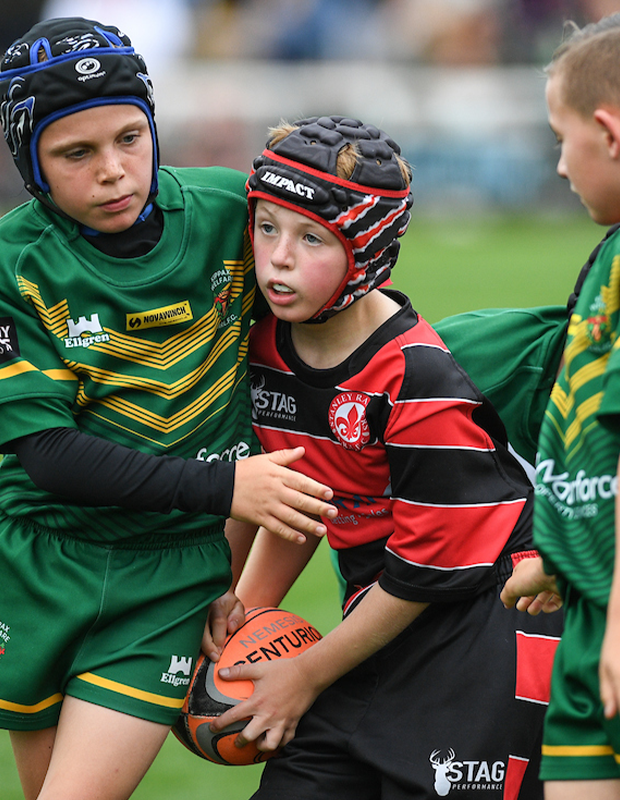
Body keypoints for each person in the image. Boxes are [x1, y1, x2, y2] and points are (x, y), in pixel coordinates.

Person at [0, 17, 337, 800]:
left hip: (168, 573)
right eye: (76, 153)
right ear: (28, 160)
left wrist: (234, 570)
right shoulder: (2, 267)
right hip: (37, 560)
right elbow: (47, 454)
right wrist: (225, 489)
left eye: (130, 138)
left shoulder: (229, 214)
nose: (114, 171)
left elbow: (317, 348)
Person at [208, 115, 563, 799]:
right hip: (378, 618)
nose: (278, 257)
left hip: (484, 627)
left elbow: (431, 569)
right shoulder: (265, 347)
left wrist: (305, 673)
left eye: (312, 238)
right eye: (267, 227)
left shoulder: (418, 378)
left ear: (366, 252)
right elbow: (297, 502)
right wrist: (237, 613)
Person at [500, 10, 620, 799]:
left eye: (563, 139)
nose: (559, 165)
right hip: (595, 612)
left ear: (611, 133)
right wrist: (570, 555)